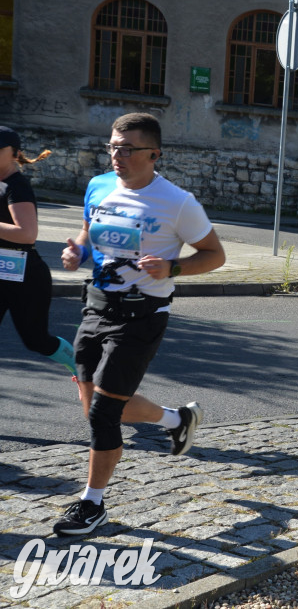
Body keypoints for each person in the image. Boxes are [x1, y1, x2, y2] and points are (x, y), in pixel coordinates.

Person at [54, 113, 226, 536]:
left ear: (154, 154)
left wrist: (173, 267)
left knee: (103, 413)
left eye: (128, 149)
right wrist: (77, 251)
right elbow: (87, 232)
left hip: (142, 315)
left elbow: (214, 255)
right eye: (114, 146)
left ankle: (92, 504)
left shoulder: (178, 202)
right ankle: (177, 420)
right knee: (94, 400)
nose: (118, 156)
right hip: (95, 307)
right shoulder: (99, 186)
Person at [0, 126, 77, 377]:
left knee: (36, 340)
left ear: (15, 154)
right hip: (2, 272)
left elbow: (26, 233)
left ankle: (83, 368)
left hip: (25, 277)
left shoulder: (16, 186)